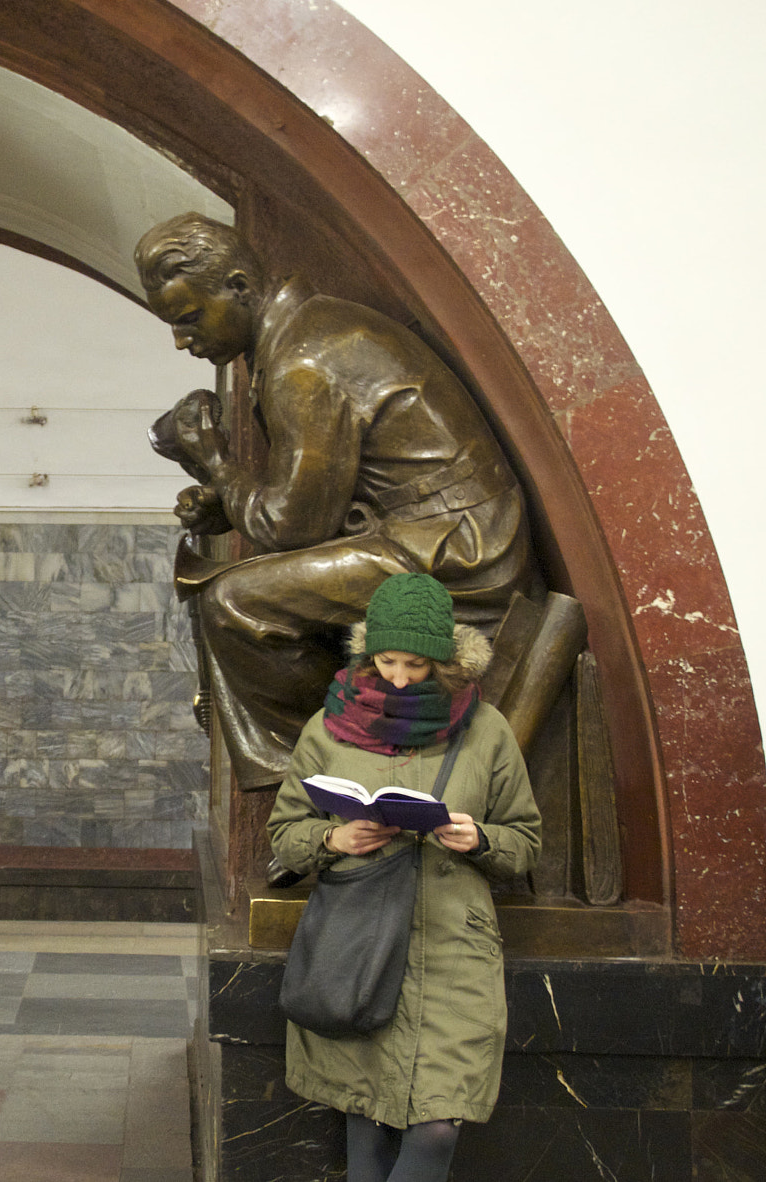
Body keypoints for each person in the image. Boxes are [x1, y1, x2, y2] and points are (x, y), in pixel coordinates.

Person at [136, 213, 539, 788]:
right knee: (243, 594)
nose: (182, 339)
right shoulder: (307, 331)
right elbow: (314, 494)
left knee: (235, 604)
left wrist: (217, 461)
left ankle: (339, 776)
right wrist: (226, 503)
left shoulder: (303, 359)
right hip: (427, 532)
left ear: (240, 288)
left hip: (456, 550)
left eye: (190, 316)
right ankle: (348, 766)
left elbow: (291, 524)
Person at [267, 573, 541, 1181]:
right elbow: (286, 833)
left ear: (444, 662)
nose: (395, 676)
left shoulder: (486, 730)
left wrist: (482, 839)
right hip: (359, 946)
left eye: (414, 664)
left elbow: (525, 842)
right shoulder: (328, 727)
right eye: (385, 660)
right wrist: (335, 838)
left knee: (438, 1127)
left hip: (454, 954)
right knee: (365, 1123)